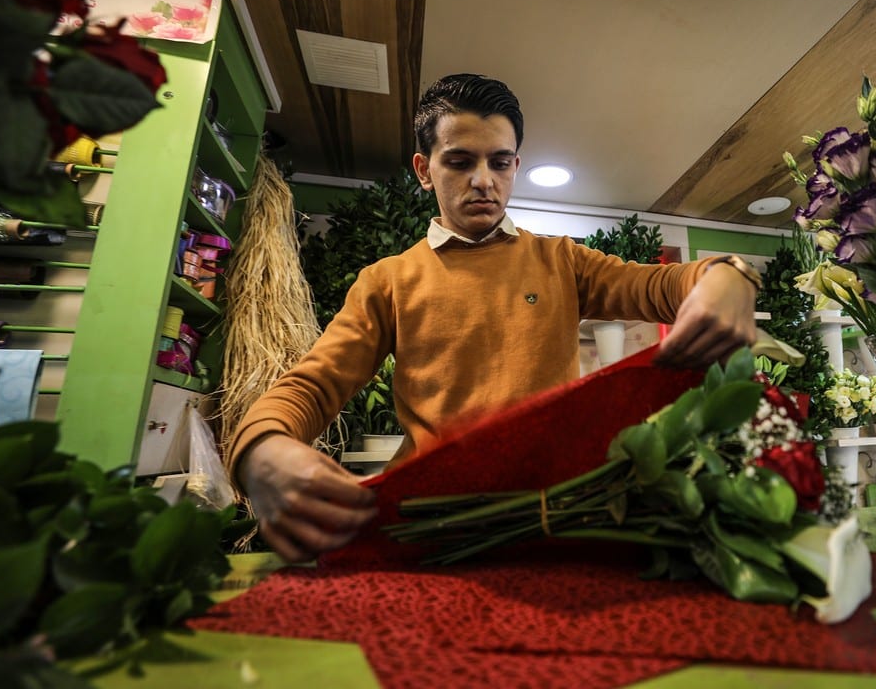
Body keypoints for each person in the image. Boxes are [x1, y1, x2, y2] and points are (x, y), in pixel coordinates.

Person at [228, 73, 762, 562]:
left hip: (554, 522)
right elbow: (315, 383)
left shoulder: (562, 260)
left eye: (499, 162)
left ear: (515, 167)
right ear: (424, 169)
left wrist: (730, 274)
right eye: (460, 162)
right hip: (427, 529)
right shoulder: (388, 280)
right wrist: (261, 449)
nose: (484, 180)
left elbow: (662, 286)